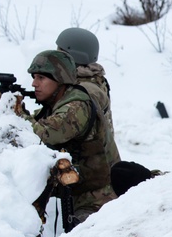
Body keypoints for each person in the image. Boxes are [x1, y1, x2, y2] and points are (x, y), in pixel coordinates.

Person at [14, 49, 116, 224]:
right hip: (80, 197)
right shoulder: (57, 104)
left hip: (98, 202)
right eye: (34, 77)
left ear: (60, 80)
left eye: (41, 78)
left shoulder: (76, 106)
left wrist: (15, 111)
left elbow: (42, 134)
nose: (34, 84)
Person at [55, 28, 121, 167]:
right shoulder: (90, 79)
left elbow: (59, 128)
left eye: (60, 52)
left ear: (73, 56)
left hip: (94, 171)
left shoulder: (87, 90)